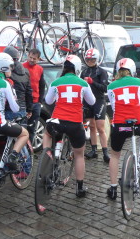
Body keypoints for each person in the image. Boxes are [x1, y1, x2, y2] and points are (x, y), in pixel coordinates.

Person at [106, 58, 140, 200]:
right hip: (137, 124)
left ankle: (112, 188)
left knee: (115, 155)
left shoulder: (111, 86)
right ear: (133, 70)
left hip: (119, 126)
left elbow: (114, 107)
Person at [43, 55, 96, 198]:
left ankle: (46, 156)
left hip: (57, 121)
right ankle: (80, 188)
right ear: (77, 68)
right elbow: (92, 102)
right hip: (74, 123)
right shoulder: (83, 83)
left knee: (47, 134)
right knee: (79, 155)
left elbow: (48, 100)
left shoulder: (56, 82)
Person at [80, 48, 110, 163]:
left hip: (98, 100)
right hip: (87, 101)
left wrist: (92, 82)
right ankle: (93, 150)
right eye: (88, 59)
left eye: (92, 60)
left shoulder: (102, 72)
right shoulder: (84, 72)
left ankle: (105, 152)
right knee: (91, 126)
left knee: (100, 128)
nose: (90, 61)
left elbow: (105, 88)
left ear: (96, 59)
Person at [3, 46, 33, 120]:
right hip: (22, 108)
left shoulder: (5, 72)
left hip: (8, 108)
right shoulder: (26, 71)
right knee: (23, 130)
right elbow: (29, 92)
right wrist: (29, 109)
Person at [23, 48, 46, 144]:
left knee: (32, 128)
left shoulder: (40, 69)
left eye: (34, 58)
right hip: (24, 101)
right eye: (30, 57)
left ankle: (29, 151)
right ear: (27, 56)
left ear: (38, 59)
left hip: (35, 102)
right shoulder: (22, 67)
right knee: (23, 128)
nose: (32, 60)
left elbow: (42, 85)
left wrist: (40, 100)